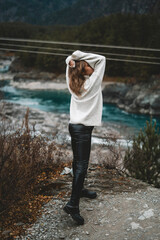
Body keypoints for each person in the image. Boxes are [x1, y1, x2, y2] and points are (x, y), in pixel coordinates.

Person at [63, 50, 106, 225]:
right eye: (87, 65)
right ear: (82, 68)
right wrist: (77, 54)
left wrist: (71, 61)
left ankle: (79, 190)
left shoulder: (71, 82)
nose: (91, 66)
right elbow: (102, 59)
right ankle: (73, 204)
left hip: (74, 127)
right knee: (82, 165)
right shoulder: (92, 84)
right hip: (83, 130)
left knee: (77, 162)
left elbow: (67, 62)